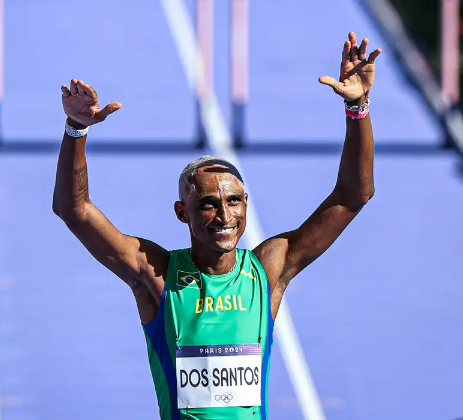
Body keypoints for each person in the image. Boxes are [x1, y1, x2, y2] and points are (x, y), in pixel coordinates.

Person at [53, 31, 381, 420]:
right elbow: (74, 210)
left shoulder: (268, 271)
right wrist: (76, 129)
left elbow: (352, 196)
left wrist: (358, 106)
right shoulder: (156, 275)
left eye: (233, 202)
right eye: (208, 204)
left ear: (246, 205)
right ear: (182, 212)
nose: (225, 216)